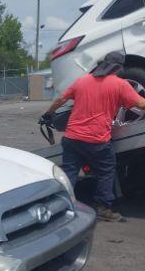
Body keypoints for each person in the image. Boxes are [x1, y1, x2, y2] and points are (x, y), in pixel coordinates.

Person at [44, 51, 145, 222]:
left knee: (69, 173)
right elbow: (141, 103)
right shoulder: (119, 84)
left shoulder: (83, 80)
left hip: (72, 139)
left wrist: (48, 114)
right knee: (106, 172)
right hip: (96, 140)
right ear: (118, 67)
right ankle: (103, 207)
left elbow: (61, 99)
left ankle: (59, 207)